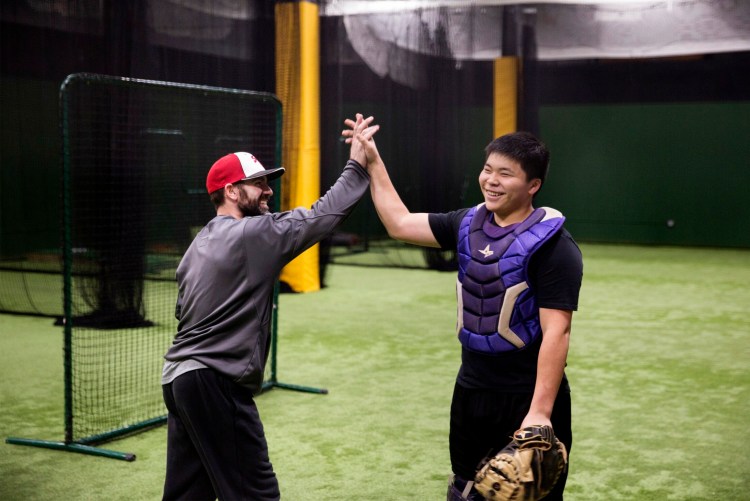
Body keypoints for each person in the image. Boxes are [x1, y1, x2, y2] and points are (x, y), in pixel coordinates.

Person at [345, 123, 583, 500]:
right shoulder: (467, 223)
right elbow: (400, 224)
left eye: (505, 174)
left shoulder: (554, 247)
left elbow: (558, 332)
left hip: (524, 393)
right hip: (472, 388)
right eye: (488, 169)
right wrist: (373, 161)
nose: (491, 180)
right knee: (466, 490)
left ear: (533, 185)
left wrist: (539, 414)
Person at [161, 115, 379, 501]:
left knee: (187, 494)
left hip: (178, 380)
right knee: (254, 493)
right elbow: (322, 216)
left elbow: (183, 310)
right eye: (258, 183)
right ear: (231, 191)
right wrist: (357, 164)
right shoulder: (253, 234)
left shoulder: (198, 245)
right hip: (215, 382)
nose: (268, 192)